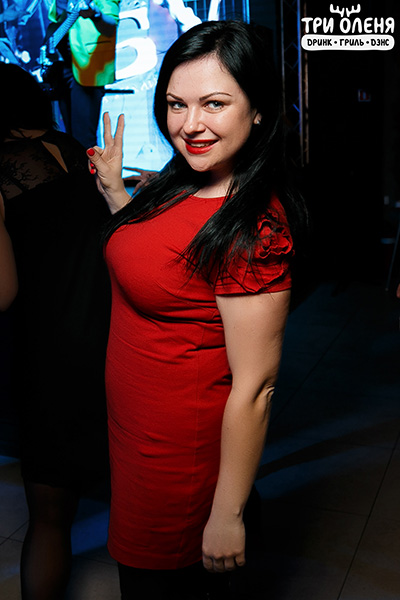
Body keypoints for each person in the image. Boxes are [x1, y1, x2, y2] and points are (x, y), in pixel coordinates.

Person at [88, 19, 308, 600]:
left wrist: (227, 514)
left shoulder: (251, 229)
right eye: (175, 104)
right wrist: (116, 193)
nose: (190, 125)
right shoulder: (183, 180)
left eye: (214, 104)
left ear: (257, 110)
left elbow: (256, 387)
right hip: (136, 444)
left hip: (178, 467)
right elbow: (165, 265)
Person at [0, 63, 111, 600]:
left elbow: (3, 292)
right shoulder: (71, 147)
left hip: (47, 353)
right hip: (109, 337)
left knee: (49, 515)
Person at [46, 0, 120, 148]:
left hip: (88, 67)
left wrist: (95, 14)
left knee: (84, 140)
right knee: (69, 140)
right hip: (63, 67)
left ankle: (90, 164)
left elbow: (110, 25)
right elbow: (56, 19)